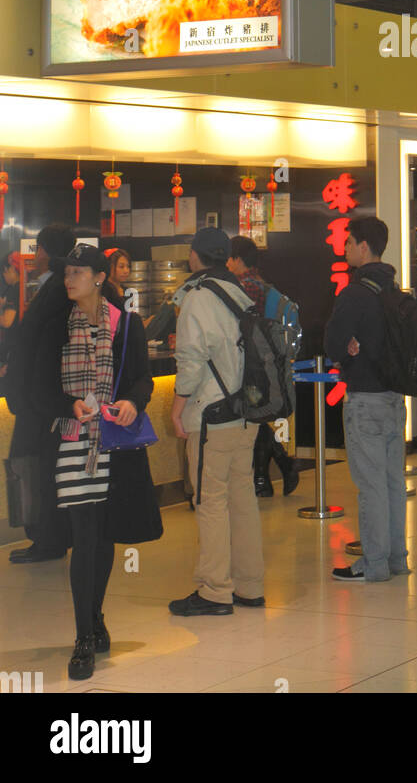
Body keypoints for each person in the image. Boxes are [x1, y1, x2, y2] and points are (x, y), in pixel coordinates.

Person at [33, 244, 162, 680]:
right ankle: (83, 636)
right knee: (83, 537)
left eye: (78, 272)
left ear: (98, 278)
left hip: (113, 444)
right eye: (66, 272)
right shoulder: (55, 326)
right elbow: (39, 389)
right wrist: (69, 405)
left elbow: (142, 377)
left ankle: (96, 614)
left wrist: (131, 401)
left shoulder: (125, 324)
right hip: (72, 443)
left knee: (104, 537)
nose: (69, 279)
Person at [169, 227, 265, 616]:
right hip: (247, 414)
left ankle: (214, 590)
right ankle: (249, 585)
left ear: (195, 256)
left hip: (212, 415)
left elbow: (191, 361)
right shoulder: (239, 293)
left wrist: (177, 408)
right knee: (242, 500)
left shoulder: (198, 297)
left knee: (210, 502)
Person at [325, 216, 408, 583]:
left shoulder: (355, 293)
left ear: (362, 247)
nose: (344, 250)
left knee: (371, 486)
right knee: (392, 483)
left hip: (364, 401)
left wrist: (348, 348)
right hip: (394, 399)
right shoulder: (396, 291)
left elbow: (331, 345)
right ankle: (396, 560)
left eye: (348, 243)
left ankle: (373, 564)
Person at [5, 223, 76, 564]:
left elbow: (36, 343)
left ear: (48, 252)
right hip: (44, 396)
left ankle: (47, 538)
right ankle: (49, 535)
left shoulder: (56, 289)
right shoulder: (60, 286)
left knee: (36, 466)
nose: (34, 256)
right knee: (41, 465)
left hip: (40, 398)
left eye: (39, 249)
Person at [227, 234, 298, 499]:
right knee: (254, 418)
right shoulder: (261, 285)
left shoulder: (245, 286)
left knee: (252, 418)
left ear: (236, 260)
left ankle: (273, 470)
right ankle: (267, 476)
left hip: (252, 366)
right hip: (263, 364)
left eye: (229, 258)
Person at [0, 252, 21, 388]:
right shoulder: (17, 288)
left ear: (12, 269)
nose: (3, 275)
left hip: (11, 350)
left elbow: (6, 321)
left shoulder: (14, 290)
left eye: (4, 271)